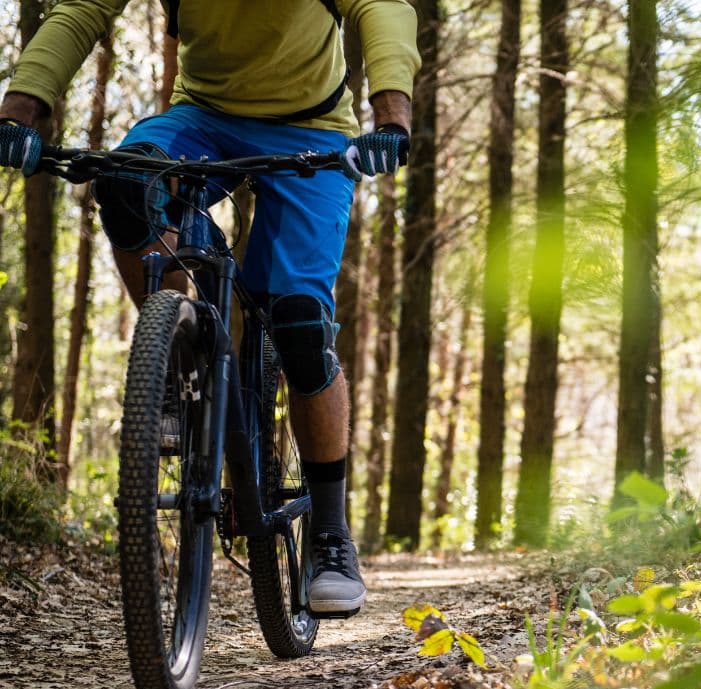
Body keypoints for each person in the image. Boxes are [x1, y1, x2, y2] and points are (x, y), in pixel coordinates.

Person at [0, 0, 423, 618]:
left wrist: (391, 116)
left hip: (314, 128)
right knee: (126, 186)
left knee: (301, 324)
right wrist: (20, 111)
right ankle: (181, 351)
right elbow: (83, 10)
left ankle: (330, 537)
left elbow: (382, 7)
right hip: (199, 118)